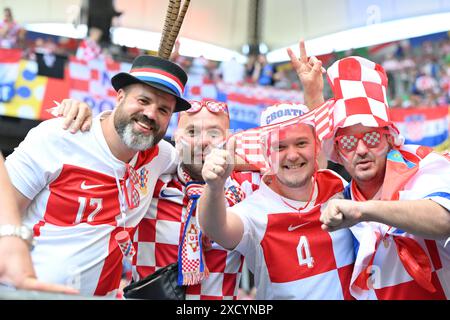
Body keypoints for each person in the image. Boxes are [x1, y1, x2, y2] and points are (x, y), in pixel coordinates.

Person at [1, 55, 191, 296]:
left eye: (163, 109)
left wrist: (240, 152)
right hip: (30, 290)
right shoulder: (59, 136)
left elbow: (196, 162)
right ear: (120, 96)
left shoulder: (161, 155)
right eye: (143, 100)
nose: (151, 114)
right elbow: (4, 210)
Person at [318, 56, 450, 299]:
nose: (360, 150)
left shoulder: (422, 167)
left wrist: (363, 210)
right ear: (338, 153)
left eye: (370, 137)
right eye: (348, 142)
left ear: (390, 139)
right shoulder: (345, 199)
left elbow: (445, 220)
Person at [197, 111, 355, 299]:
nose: (293, 155)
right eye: (280, 147)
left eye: (301, 143)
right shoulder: (254, 211)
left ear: (317, 146)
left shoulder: (336, 183)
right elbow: (215, 228)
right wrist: (214, 187)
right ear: (265, 153)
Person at [132, 100, 249, 299]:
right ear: (176, 139)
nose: (203, 142)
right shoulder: (148, 181)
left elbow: (299, 162)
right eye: (192, 133)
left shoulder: (246, 191)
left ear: (230, 140)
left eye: (214, 134)